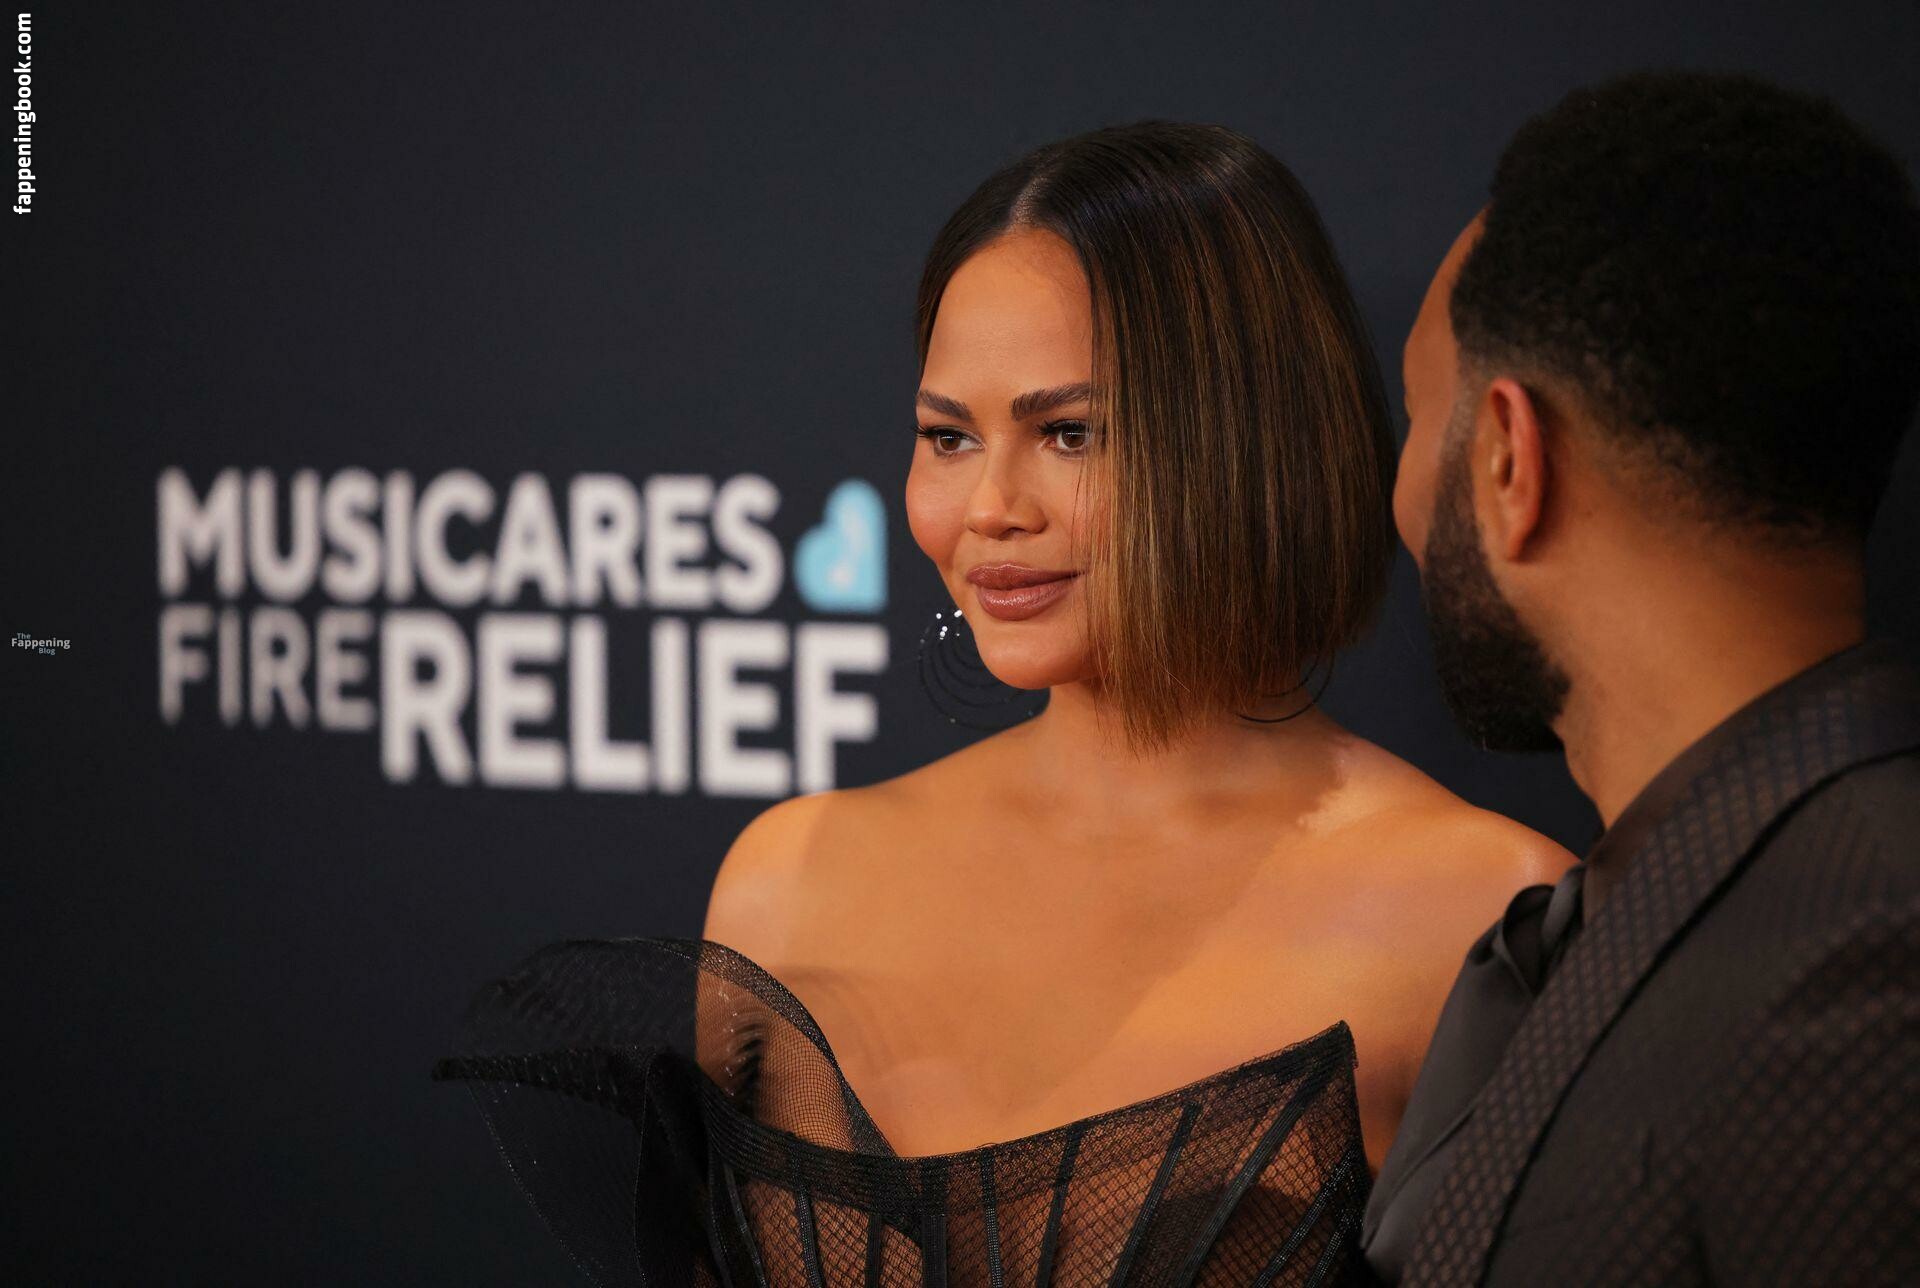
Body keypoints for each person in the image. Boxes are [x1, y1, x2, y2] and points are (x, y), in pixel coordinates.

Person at [437, 120, 1567, 1285]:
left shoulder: (1484, 913)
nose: (988, 508)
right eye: (948, 437)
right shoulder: (790, 876)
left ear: (1247, 441)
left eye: (1068, 433)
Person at [1363, 71, 1920, 1287]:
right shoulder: (1697, 901)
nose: (1397, 499)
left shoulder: (1866, 970)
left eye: (1413, 419)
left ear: (1509, 458)